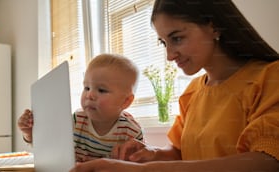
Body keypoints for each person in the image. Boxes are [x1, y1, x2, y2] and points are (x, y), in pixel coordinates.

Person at [70, 0, 279, 171]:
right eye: (164, 43)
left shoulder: (270, 76)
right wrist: (151, 153)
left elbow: (268, 161)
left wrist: (141, 170)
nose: (169, 55)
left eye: (177, 38)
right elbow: (179, 152)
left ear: (214, 26)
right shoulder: (193, 91)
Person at [18, 53, 144, 162]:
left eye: (101, 90)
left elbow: (140, 164)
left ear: (126, 101)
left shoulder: (131, 131)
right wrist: (29, 133)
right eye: (87, 88)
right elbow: (49, 146)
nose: (89, 95)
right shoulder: (77, 120)